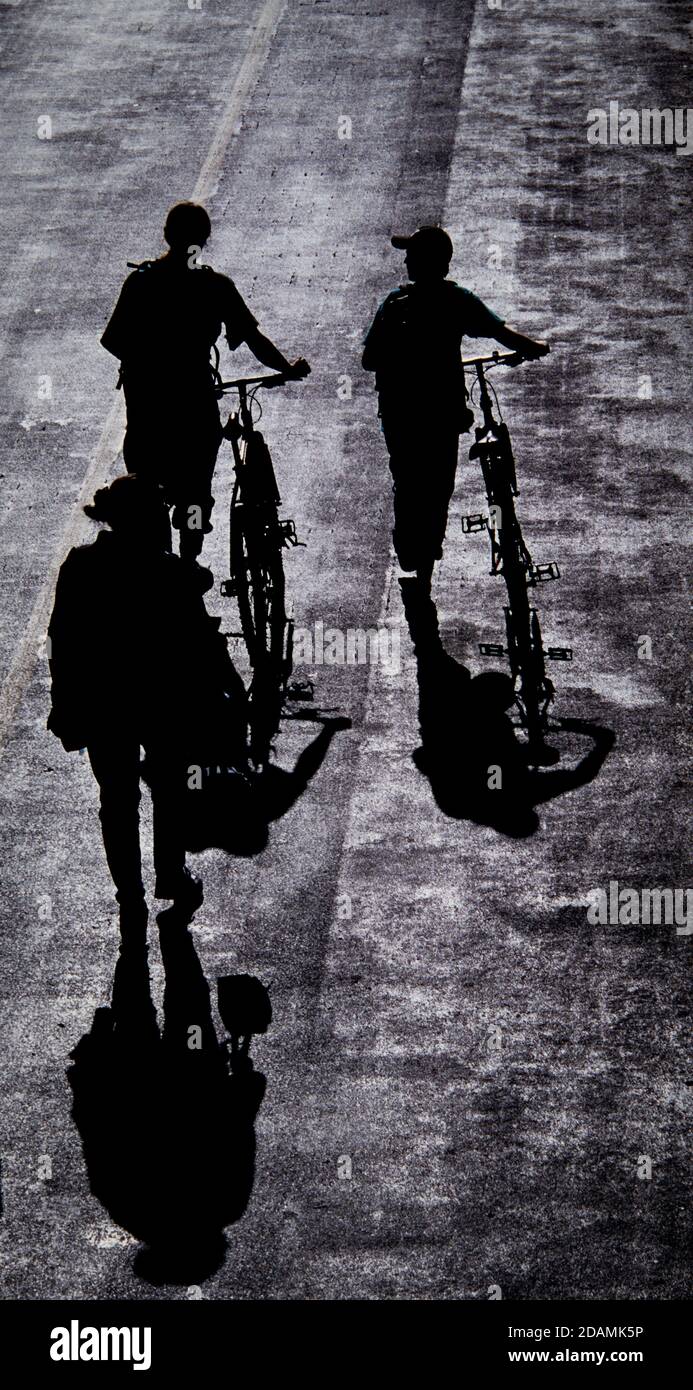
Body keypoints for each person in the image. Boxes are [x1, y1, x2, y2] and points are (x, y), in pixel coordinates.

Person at [46, 475, 246, 934]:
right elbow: (202, 643)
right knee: (170, 789)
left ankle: (129, 897)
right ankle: (171, 875)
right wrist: (230, 690)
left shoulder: (80, 566)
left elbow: (60, 639)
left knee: (116, 800)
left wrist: (62, 695)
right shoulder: (170, 574)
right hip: (162, 705)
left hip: (101, 706)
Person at [101, 201, 310, 585]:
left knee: (147, 490)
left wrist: (150, 363)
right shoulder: (214, 287)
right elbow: (253, 339)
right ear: (205, 241)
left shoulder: (141, 283)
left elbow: (113, 341)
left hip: (148, 411)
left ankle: (156, 559)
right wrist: (287, 369)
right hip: (195, 409)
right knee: (195, 494)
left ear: (167, 235)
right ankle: (189, 557)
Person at [362, 225, 550, 589]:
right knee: (439, 483)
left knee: (407, 478)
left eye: (411, 255)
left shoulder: (395, 302)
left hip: (401, 413)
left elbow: (369, 360)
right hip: (444, 412)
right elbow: (501, 331)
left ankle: (407, 542)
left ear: (420, 263)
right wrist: (533, 346)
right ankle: (430, 545)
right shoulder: (456, 299)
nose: (405, 260)